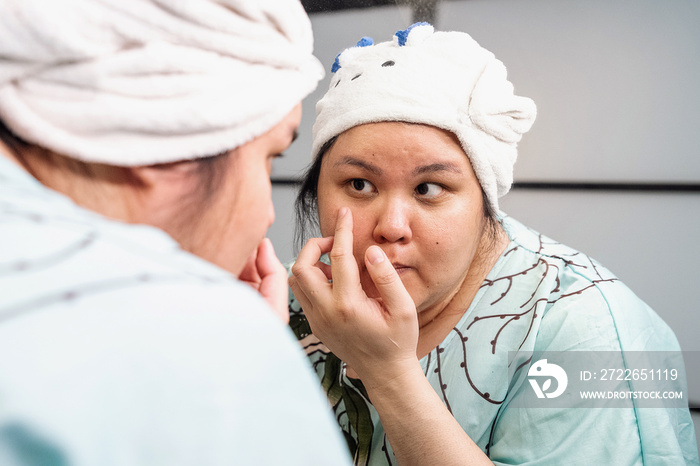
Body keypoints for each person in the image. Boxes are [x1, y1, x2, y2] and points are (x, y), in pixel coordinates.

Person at [288, 23, 699, 465]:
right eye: (359, 183)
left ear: (486, 203)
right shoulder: (306, 299)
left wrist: (388, 373)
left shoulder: (583, 331)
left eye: (429, 189)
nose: (391, 226)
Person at [0, 1, 352, 465]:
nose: (267, 214)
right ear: (166, 134)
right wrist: (238, 360)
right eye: (269, 156)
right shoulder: (208, 348)